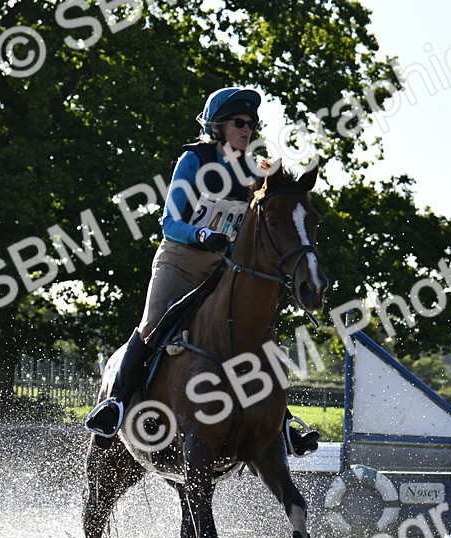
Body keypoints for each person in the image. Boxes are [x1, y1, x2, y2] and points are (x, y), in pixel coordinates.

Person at [85, 86, 320, 456]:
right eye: (239, 123)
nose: (248, 130)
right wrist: (203, 234)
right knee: (151, 326)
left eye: (252, 125)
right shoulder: (193, 161)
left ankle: (283, 424)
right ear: (217, 127)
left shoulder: (253, 172)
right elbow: (169, 222)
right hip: (179, 261)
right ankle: (113, 406)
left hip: (220, 269)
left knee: (255, 337)